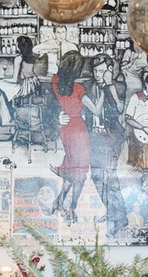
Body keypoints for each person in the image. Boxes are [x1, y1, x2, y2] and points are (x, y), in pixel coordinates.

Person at [84, 54, 129, 234]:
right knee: (96, 176)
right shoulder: (89, 86)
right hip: (94, 136)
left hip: (111, 137)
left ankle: (121, 217)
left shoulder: (118, 86)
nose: (97, 74)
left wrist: (109, 85)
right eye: (95, 70)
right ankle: (112, 211)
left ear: (110, 71)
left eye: (102, 71)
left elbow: (119, 109)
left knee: (109, 176)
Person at [50, 51, 90, 221]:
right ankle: (72, 208)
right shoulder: (80, 89)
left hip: (65, 130)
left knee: (73, 170)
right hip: (79, 131)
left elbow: (53, 104)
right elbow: (94, 109)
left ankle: (59, 201)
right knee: (80, 173)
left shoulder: (54, 82)